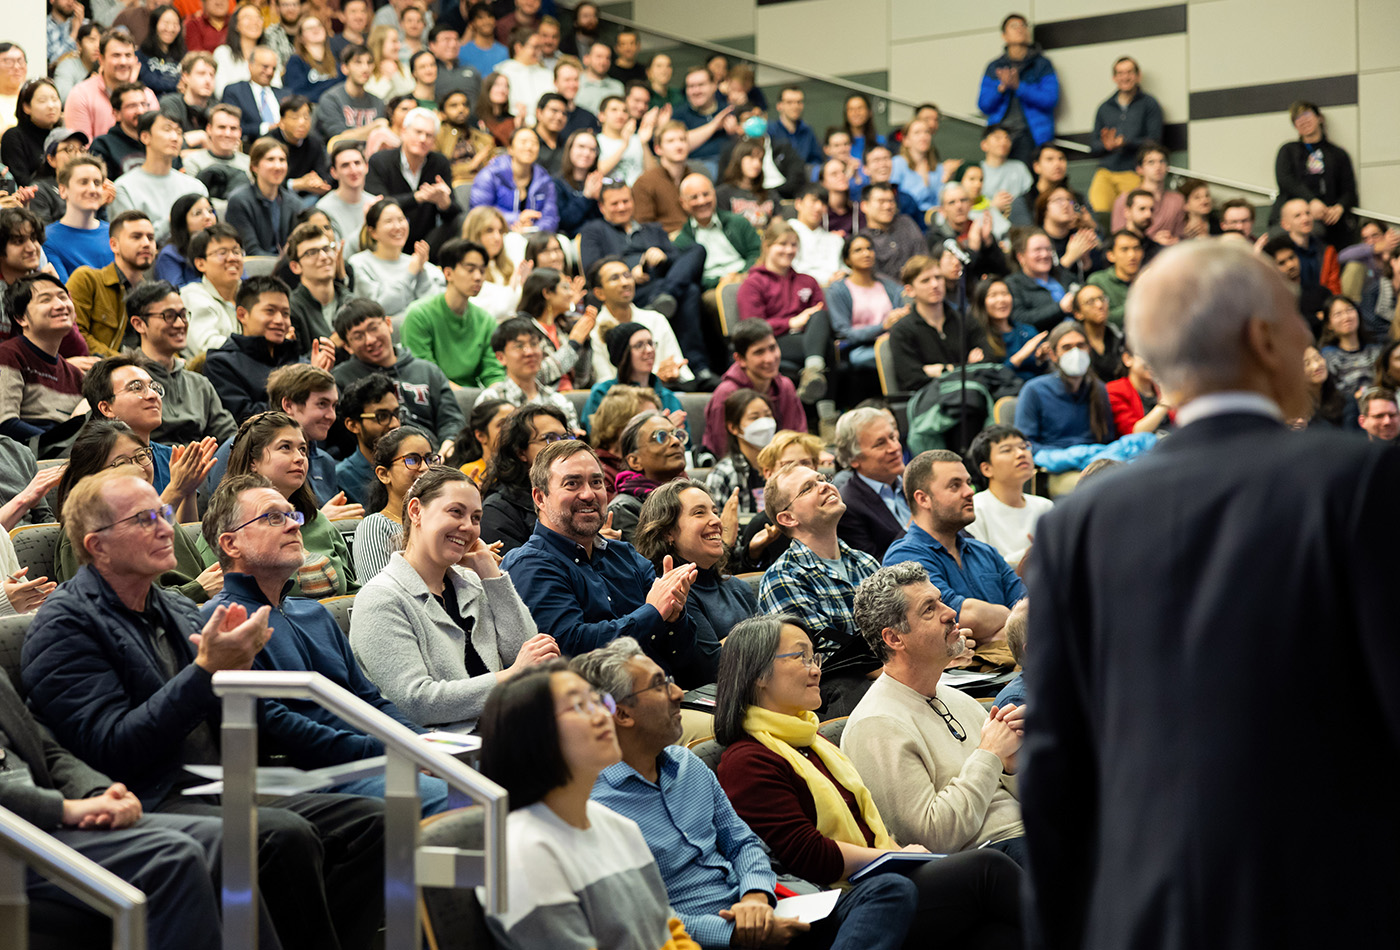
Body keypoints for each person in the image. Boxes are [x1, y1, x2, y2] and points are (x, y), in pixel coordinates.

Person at [1021, 236, 1400, 948]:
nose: (1308, 338)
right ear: (1263, 338)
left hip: (1138, 914)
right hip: (1333, 906)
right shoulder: (1363, 482)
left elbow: (1055, 770)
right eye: (1297, 320)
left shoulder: (1078, 523)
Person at [23, 464, 386, 950]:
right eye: (144, 519)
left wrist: (238, 678)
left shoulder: (171, 606)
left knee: (373, 823)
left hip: (216, 783)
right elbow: (111, 750)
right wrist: (206, 673)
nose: (164, 526)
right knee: (285, 835)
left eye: (163, 513)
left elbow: (233, 712)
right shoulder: (64, 626)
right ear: (97, 545)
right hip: (146, 795)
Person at [579, 635, 939, 950]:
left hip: (764, 908)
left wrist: (754, 895)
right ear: (622, 713)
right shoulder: (593, 807)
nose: (678, 694)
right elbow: (630, 918)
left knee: (890, 891)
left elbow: (744, 844)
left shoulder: (687, 766)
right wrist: (733, 933)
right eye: (659, 685)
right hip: (701, 938)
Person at [713, 614, 1025, 945]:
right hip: (838, 902)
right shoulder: (747, 760)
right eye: (800, 657)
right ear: (758, 674)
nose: (816, 668)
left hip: (882, 879)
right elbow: (807, 854)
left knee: (1000, 936)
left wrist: (895, 852)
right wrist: (896, 857)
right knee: (988, 869)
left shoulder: (813, 742)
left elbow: (867, 827)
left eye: (814, 656)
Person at [200, 470, 450, 812]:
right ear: (231, 544)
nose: (293, 526)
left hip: (367, 761)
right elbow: (275, 725)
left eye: (292, 515)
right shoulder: (222, 624)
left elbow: (369, 701)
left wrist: (426, 742)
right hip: (303, 779)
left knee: (501, 777)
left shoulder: (313, 614)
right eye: (274, 518)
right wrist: (393, 751)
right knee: (459, 799)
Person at [0, 653, 234, 950]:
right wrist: (65, 809)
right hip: (12, 837)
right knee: (172, 856)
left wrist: (97, 793)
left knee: (223, 837)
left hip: (41, 823)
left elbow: (46, 750)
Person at [477, 660, 701, 950]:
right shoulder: (522, 852)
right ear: (531, 734)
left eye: (598, 701)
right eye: (579, 706)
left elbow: (668, 930)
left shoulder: (618, 826)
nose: (601, 716)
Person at [845, 560, 1026, 862]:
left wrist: (1011, 766)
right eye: (929, 609)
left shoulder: (959, 700)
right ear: (894, 638)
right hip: (985, 863)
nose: (950, 612)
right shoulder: (875, 725)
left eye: (940, 600)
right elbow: (932, 838)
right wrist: (990, 756)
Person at [501, 438, 716, 684]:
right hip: (596, 711)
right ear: (540, 498)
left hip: (665, 692)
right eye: (572, 484)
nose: (588, 494)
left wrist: (675, 615)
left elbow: (683, 656)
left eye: (596, 482)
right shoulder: (531, 565)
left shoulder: (625, 556)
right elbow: (572, 650)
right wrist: (653, 612)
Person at [757, 462, 882, 715]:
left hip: (889, 679)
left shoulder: (865, 562)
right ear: (788, 518)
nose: (825, 486)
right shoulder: (783, 577)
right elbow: (822, 659)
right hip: (835, 697)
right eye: (808, 488)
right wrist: (900, 669)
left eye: (823, 479)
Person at [51, 417, 219, 599]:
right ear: (91, 476)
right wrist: (197, 591)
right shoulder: (83, 532)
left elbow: (191, 565)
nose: (138, 469)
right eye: (122, 463)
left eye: (141, 456)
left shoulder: (159, 515)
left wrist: (188, 491)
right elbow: (103, 609)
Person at [879, 449, 1024, 655]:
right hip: (952, 679)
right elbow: (962, 617)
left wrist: (995, 632)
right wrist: (1012, 620)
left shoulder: (985, 551)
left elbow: (1030, 611)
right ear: (923, 499)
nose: (969, 491)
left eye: (968, 482)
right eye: (955, 485)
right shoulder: (904, 556)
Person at [579, 182, 711, 378]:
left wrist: (662, 256)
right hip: (630, 290)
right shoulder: (594, 230)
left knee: (697, 250)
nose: (622, 207)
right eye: (615, 204)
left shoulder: (652, 229)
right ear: (602, 207)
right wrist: (631, 271)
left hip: (660, 281)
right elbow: (593, 271)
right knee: (689, 291)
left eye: (626, 201)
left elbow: (677, 260)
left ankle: (666, 294)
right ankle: (698, 368)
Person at [332, 297, 464, 446]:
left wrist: (448, 443)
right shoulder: (341, 379)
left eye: (373, 328)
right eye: (358, 336)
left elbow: (451, 419)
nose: (370, 340)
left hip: (434, 456)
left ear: (388, 324)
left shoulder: (427, 370)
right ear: (348, 346)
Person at [205, 274, 335, 421]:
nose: (280, 320)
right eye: (270, 311)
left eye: (285, 314)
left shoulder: (299, 362)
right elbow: (246, 419)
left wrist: (320, 379)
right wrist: (306, 384)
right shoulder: (221, 363)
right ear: (242, 315)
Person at [126, 279, 236, 445]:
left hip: (204, 465)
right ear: (139, 324)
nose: (180, 324)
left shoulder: (199, 384)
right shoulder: (124, 380)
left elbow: (230, 437)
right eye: (169, 316)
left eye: (183, 315)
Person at [737, 219, 831, 401]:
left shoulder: (808, 281)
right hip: (773, 341)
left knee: (821, 322)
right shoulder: (753, 283)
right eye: (782, 244)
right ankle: (825, 412)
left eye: (793, 245)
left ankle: (813, 371)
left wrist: (807, 323)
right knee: (823, 348)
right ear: (767, 246)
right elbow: (752, 327)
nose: (789, 250)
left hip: (808, 338)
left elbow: (820, 316)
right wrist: (790, 323)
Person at [397, 237, 504, 386]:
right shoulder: (419, 315)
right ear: (448, 273)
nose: (478, 277)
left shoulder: (486, 320)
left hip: (476, 400)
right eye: (470, 269)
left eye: (482, 270)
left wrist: (495, 396)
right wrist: (466, 397)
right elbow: (426, 374)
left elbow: (493, 373)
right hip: (433, 399)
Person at [0, 274, 87, 447]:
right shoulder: (8, 355)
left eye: (63, 297)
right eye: (45, 300)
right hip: (24, 456)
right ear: (21, 318)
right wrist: (63, 443)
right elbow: (5, 423)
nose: (60, 305)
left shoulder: (76, 374)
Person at [585, 255, 697, 389]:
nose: (625, 283)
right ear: (599, 293)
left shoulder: (656, 319)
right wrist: (654, 379)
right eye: (615, 278)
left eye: (627, 275)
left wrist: (674, 372)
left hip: (666, 392)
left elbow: (682, 370)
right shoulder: (594, 330)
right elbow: (604, 382)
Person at [702, 318, 804, 456]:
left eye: (772, 348)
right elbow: (722, 448)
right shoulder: (726, 393)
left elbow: (797, 437)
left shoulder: (785, 386)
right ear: (740, 359)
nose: (770, 358)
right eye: (759, 352)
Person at [478, 402, 571, 550]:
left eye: (567, 437)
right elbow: (519, 571)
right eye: (550, 438)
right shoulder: (498, 511)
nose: (564, 446)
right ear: (521, 452)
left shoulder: (579, 495)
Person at [889, 254, 987, 393]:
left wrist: (943, 370)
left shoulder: (964, 319)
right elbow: (912, 379)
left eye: (938, 277)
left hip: (973, 392)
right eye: (925, 281)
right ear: (910, 290)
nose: (935, 285)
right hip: (931, 400)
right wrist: (966, 366)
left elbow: (988, 360)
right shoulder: (902, 330)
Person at [1014, 320, 1116, 453]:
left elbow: (1108, 439)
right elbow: (1025, 444)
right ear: (1053, 355)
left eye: (1081, 345)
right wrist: (1061, 456)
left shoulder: (1099, 389)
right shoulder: (1034, 390)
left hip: (1093, 463)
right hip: (1054, 466)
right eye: (1066, 347)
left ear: (1089, 350)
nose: (1075, 353)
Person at [109, 112, 208, 246]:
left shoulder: (196, 187)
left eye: (179, 132)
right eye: (167, 130)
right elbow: (128, 242)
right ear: (145, 137)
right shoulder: (124, 187)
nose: (175, 138)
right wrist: (173, 220)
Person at [580, 322, 686, 442]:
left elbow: (686, 446)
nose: (649, 350)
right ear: (623, 354)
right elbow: (599, 441)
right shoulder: (603, 393)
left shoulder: (669, 398)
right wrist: (665, 429)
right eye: (639, 345)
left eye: (651, 343)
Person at [1272, 99, 1356, 249]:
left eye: (1307, 115)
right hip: (1294, 220)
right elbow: (1285, 180)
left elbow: (1349, 191)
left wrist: (1340, 207)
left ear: (1319, 118)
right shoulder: (1288, 150)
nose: (1303, 120)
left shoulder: (1338, 154)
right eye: (1297, 118)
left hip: (1331, 220)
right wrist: (1311, 202)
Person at [964, 425, 1050, 567]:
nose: (1020, 454)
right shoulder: (974, 509)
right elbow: (982, 568)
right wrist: (1032, 553)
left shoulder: (1044, 506)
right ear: (987, 469)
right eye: (1007, 450)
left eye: (1023, 447)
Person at [977, 14, 1058, 166]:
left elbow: (1050, 99)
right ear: (1004, 35)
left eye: (1023, 25)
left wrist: (1019, 87)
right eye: (1014, 26)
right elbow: (984, 105)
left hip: (1031, 135)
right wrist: (1001, 88)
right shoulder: (994, 66)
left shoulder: (1042, 65)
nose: (1020, 29)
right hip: (1001, 135)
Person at [476, 316, 581, 429]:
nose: (529, 352)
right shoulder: (491, 399)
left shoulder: (558, 402)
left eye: (534, 344)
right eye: (519, 346)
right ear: (501, 357)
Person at [605, 410, 694, 544]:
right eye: (661, 437)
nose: (676, 441)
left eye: (677, 434)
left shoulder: (694, 494)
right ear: (635, 461)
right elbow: (647, 563)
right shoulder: (624, 509)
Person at [1087, 57, 1162, 212]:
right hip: (1106, 171)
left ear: (1138, 75)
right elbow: (1093, 146)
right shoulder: (1104, 107)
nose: (1125, 77)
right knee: (1097, 211)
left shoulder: (1149, 104)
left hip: (1133, 171)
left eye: (1129, 72)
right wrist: (1107, 146)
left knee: (1136, 212)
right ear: (1114, 78)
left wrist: (1126, 143)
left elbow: (1155, 141)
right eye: (1120, 73)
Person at [834, 406, 910, 559]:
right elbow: (873, 571)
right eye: (880, 444)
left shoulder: (915, 483)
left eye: (893, 437)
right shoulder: (847, 506)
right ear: (854, 459)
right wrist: (916, 525)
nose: (894, 448)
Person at [348, 196, 446, 314]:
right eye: (389, 221)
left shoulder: (420, 264)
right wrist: (410, 273)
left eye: (401, 219)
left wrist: (421, 272)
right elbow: (378, 308)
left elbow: (434, 308)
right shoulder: (360, 264)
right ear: (372, 232)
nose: (398, 227)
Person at [673, 171, 761, 296]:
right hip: (713, 290)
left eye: (706, 194)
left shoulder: (738, 222)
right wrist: (718, 281)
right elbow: (688, 276)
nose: (702, 201)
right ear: (683, 203)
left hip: (746, 278)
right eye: (694, 197)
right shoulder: (682, 241)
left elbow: (757, 253)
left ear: (714, 194)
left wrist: (741, 274)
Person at [64, 29, 160, 142]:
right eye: (116, 55)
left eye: (128, 55)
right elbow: (80, 148)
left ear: (135, 60)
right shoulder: (81, 95)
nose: (123, 62)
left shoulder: (147, 95)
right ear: (101, 59)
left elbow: (156, 141)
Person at [518, 264, 596, 391]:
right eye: (565, 287)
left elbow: (583, 379)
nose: (572, 293)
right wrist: (573, 345)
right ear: (547, 292)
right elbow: (536, 376)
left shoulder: (563, 327)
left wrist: (584, 343)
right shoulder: (522, 329)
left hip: (574, 397)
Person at [470, 125, 560, 232]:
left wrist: (532, 229)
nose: (529, 147)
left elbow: (551, 217)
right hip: (497, 234)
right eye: (523, 142)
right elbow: (480, 212)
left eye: (534, 143)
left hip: (533, 237)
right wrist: (517, 219)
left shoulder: (544, 179)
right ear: (510, 149)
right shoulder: (490, 174)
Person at [42, 155, 115, 281]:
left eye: (97, 183)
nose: (92, 189)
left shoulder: (114, 234)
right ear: (63, 190)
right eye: (83, 182)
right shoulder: (48, 238)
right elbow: (64, 293)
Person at [703, 387, 772, 519]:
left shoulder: (783, 467)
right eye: (754, 417)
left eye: (768, 415)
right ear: (733, 427)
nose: (765, 423)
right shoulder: (722, 474)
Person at [223, 137, 297, 257]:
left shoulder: (294, 202)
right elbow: (251, 251)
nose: (278, 166)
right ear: (254, 167)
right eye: (270, 160)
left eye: (282, 160)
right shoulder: (239, 202)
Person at [179, 222, 243, 353]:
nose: (232, 258)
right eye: (222, 253)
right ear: (200, 263)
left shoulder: (251, 292)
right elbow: (206, 346)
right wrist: (254, 346)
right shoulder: (193, 295)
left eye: (236, 252)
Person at [311, 44, 388, 142]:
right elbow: (339, 139)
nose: (365, 68)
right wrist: (374, 127)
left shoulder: (378, 102)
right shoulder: (331, 99)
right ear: (345, 68)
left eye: (369, 63)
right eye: (358, 62)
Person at [1, 78, 63, 188]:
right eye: (42, 101)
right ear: (26, 107)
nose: (51, 106)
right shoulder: (14, 137)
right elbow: (22, 181)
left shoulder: (64, 135)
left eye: (54, 99)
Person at [858, 182, 924, 282]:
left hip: (919, 286)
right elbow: (874, 277)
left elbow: (923, 255)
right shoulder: (863, 239)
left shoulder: (906, 223)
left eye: (891, 201)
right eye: (881, 201)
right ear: (864, 206)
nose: (888, 206)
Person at [1105, 342, 1172, 436]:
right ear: (1127, 359)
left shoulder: (1162, 386)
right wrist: (1164, 404)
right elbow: (1134, 433)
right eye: (1146, 355)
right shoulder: (1114, 390)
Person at [1317, 294, 1379, 396]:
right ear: (1329, 324)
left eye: (1350, 310)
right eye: (1338, 314)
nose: (1346, 317)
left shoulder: (1375, 350)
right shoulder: (1328, 356)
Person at [789, 183, 845, 287]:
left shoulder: (835, 240)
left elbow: (842, 268)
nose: (819, 207)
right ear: (798, 203)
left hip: (834, 291)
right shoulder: (786, 233)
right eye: (813, 201)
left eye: (823, 203)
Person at [453, 397, 512, 485]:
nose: (512, 429)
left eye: (515, 423)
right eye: (502, 424)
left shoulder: (526, 467)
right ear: (481, 435)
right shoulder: (471, 471)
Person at [1074, 284, 1124, 382]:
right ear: (1078, 314)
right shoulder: (1075, 344)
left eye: (1102, 299)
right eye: (1090, 302)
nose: (1100, 305)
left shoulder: (1118, 338)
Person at [457, 2, 508, 76]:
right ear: (471, 24)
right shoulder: (462, 52)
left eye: (490, 16)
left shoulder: (504, 52)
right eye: (480, 17)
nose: (486, 21)